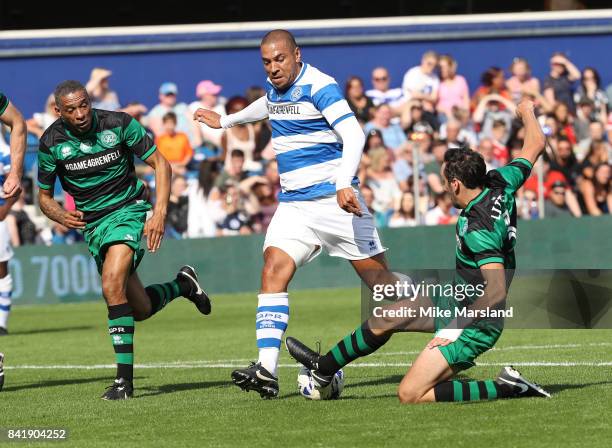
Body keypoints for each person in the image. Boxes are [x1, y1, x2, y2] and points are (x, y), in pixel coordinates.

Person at [285, 99, 551, 404]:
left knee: (410, 393)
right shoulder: (500, 182)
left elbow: (496, 292)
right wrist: (528, 110)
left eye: (445, 183)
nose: (445, 189)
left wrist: (452, 331)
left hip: (475, 322)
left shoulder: (479, 229)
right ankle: (323, 369)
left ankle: (508, 387)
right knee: (387, 315)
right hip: (455, 299)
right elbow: (535, 144)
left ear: (455, 183)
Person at [194, 29, 397, 399]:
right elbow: (268, 106)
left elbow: (355, 135)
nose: (273, 68)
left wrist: (342, 183)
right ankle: (267, 370)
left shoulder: (321, 86)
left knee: (387, 290)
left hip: (335, 202)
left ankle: (451, 327)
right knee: (273, 268)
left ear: (297, 55)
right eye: (267, 62)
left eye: (280, 59)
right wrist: (225, 121)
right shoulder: (275, 88)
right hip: (294, 206)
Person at [37, 80, 212, 400]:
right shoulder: (50, 143)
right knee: (140, 308)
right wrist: (60, 215)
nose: (80, 114)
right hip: (93, 226)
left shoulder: (118, 124)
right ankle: (183, 285)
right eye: (71, 109)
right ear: (57, 111)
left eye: (84, 105)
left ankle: (123, 382)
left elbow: (161, 164)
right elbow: (44, 198)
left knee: (110, 285)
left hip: (127, 211)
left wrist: (158, 213)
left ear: (91, 102)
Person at [0, 91, 26, 336]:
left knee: (1, 268)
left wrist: (4, 210)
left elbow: (17, 121)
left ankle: (2, 323)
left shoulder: (4, 152)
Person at [147, 82, 201, 148]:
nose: (170, 97)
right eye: (167, 95)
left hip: (192, 146)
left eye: (172, 95)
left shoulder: (183, 107)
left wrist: (198, 140)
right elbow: (159, 134)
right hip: (172, 149)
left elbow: (194, 123)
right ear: (160, 96)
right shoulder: (155, 112)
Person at [220, 97, 260, 172]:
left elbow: (255, 153)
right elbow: (224, 156)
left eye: (243, 110)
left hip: (251, 171)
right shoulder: (226, 134)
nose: (240, 113)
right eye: (236, 110)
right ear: (229, 112)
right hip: (231, 173)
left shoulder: (254, 131)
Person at [189, 80, 226, 149]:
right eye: (212, 94)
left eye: (216, 94)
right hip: (206, 148)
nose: (215, 96)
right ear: (203, 95)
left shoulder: (222, 104)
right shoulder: (193, 107)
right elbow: (196, 131)